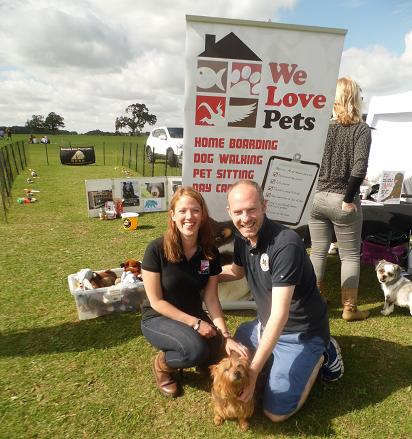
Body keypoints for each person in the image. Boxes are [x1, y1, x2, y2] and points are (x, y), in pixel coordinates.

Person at [220, 180, 343, 422]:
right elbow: (236, 271)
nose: (245, 218)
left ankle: (323, 353)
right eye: (238, 212)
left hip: (300, 332)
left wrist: (254, 372)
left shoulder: (286, 243)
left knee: (275, 412)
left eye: (251, 209)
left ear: (264, 206)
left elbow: (280, 315)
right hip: (264, 327)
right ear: (229, 212)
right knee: (232, 352)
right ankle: (273, 356)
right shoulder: (242, 237)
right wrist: (202, 276)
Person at [141, 186, 248, 398]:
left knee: (220, 350)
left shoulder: (209, 253)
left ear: (203, 215)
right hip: (158, 317)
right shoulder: (156, 250)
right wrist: (196, 323)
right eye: (182, 211)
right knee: (195, 350)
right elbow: (156, 302)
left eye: (195, 210)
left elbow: (211, 298)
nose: (189, 217)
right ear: (172, 215)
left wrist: (225, 336)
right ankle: (163, 366)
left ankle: (201, 355)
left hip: (194, 317)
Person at [308, 76, 371, 321]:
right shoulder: (361, 128)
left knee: (318, 252)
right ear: (355, 98)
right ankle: (350, 309)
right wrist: (348, 198)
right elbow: (359, 167)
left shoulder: (323, 126)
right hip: (342, 201)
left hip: (317, 198)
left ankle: (315, 300)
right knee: (350, 255)